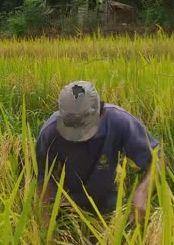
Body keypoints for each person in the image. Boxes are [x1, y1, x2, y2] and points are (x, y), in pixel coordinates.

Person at [36, 81, 161, 224]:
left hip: (109, 208)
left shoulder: (119, 122)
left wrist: (143, 191)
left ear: (101, 113)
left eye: (85, 131)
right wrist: (46, 225)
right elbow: (43, 178)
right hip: (66, 211)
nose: (78, 139)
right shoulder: (50, 133)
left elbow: (157, 157)